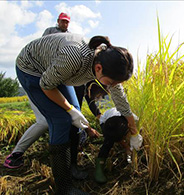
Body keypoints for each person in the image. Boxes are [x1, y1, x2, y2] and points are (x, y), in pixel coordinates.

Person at [15, 33, 143, 194]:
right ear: (98, 68)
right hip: (32, 69)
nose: (113, 87)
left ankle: (72, 165)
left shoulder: (109, 66)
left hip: (57, 70)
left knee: (76, 113)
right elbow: (46, 85)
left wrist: (134, 132)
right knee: (61, 119)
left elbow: (123, 105)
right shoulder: (74, 58)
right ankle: (64, 187)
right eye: (111, 83)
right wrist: (69, 110)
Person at [4, 12, 95, 180]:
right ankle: (16, 155)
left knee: (72, 112)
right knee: (49, 120)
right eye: (62, 21)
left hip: (58, 74)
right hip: (37, 74)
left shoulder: (76, 44)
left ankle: (71, 163)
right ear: (58, 21)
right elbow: (47, 80)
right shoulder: (50, 32)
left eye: (67, 22)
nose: (65, 24)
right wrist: (68, 109)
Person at [94, 107, 141, 184]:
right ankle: (99, 166)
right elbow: (117, 137)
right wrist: (126, 146)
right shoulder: (110, 126)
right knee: (108, 142)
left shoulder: (132, 118)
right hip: (105, 122)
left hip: (119, 121)